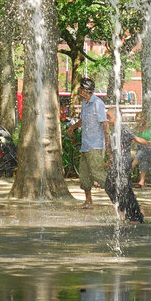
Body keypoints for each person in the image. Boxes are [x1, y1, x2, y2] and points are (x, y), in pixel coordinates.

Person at [64, 77, 108, 210]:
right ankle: (89, 201)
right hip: (86, 145)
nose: (79, 91)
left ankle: (120, 199)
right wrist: (72, 128)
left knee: (99, 175)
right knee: (84, 175)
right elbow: (82, 120)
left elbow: (105, 124)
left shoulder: (98, 104)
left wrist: (108, 145)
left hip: (96, 146)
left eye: (81, 88)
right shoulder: (85, 103)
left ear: (85, 90)